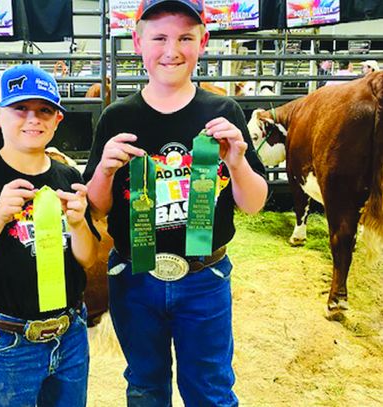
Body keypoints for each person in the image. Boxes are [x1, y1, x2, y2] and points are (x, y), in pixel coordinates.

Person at [83, 0, 268, 406]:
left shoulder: (223, 111)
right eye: (160, 37)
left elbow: (253, 204)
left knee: (210, 388)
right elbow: (95, 208)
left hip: (205, 278)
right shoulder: (117, 118)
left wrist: (237, 162)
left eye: (185, 37)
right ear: (137, 42)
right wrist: (105, 172)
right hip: (134, 277)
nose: (172, 50)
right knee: (146, 386)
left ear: (203, 41)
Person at [0, 64, 99, 407]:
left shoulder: (68, 175)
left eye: (45, 110)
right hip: (9, 340)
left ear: (58, 120)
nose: (33, 119)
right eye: (20, 109)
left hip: (71, 333)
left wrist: (78, 225)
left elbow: (87, 258)